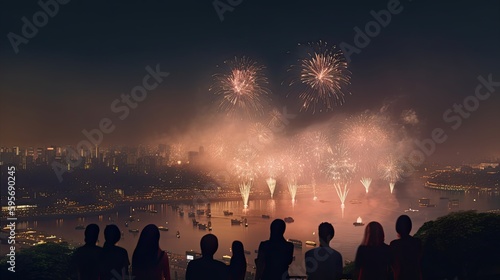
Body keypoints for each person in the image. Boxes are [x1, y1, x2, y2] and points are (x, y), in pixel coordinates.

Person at [390, 215, 422, 280]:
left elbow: (394, 265)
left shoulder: (394, 244)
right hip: (414, 276)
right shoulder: (417, 242)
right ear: (410, 227)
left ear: (397, 228)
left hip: (400, 276)